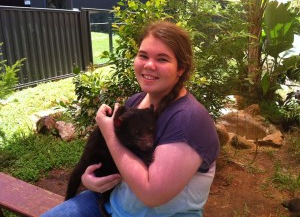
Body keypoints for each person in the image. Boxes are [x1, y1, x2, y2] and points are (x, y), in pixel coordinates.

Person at [41, 20, 220, 217]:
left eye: (162, 59)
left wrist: (109, 133)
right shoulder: (136, 101)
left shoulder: (188, 118)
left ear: (181, 69)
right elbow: (118, 160)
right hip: (108, 204)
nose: (149, 65)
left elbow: (152, 194)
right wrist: (89, 180)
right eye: (143, 56)